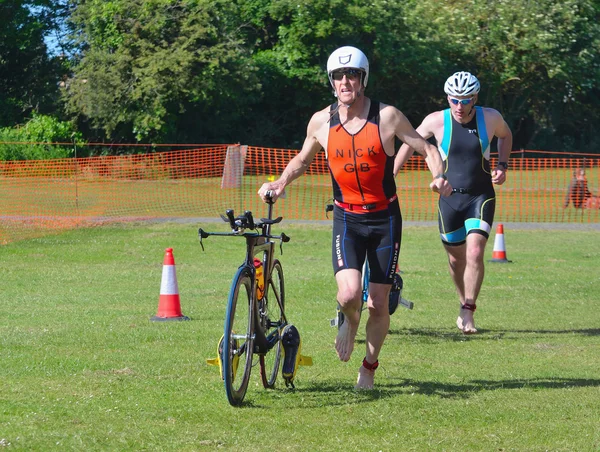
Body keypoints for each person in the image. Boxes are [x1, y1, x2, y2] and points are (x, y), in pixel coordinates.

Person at [258, 46, 452, 390]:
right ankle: (348, 320)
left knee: (379, 303)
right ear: (331, 82)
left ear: (362, 80)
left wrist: (438, 176)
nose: (345, 82)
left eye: (352, 76)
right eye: (338, 76)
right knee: (349, 296)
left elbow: (429, 148)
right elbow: (303, 160)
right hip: (346, 218)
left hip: (384, 220)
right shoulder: (321, 121)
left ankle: (369, 366)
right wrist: (280, 181)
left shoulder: (387, 116)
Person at [394, 71, 513, 334]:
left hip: (480, 195)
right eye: (454, 100)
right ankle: (462, 301)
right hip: (449, 200)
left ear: (475, 98)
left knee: (475, 251)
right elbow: (410, 142)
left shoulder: (490, 117)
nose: (459, 106)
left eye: (465, 100)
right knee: (456, 261)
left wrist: (503, 166)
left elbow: (506, 135)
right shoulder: (436, 120)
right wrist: (392, 173)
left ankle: (468, 309)